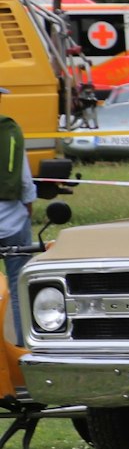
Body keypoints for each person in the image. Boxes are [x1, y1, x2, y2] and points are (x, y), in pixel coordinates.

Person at [0, 90, 33, 345]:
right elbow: (24, 180)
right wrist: (28, 206)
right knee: (21, 285)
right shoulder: (9, 131)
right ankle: (23, 347)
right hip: (11, 222)